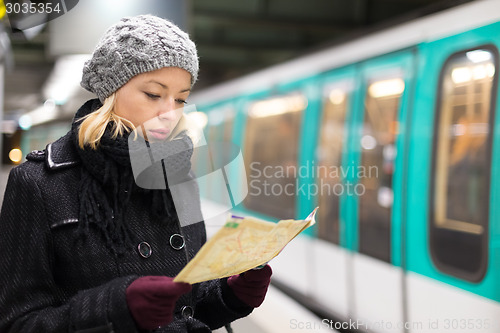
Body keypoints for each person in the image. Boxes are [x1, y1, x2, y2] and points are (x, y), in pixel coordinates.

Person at [0, 14, 272, 332]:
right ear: (111, 91)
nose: (170, 113)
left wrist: (229, 294)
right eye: (154, 95)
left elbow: (188, 306)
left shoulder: (178, 176)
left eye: (181, 99)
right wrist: (115, 310)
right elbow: (15, 322)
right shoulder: (38, 183)